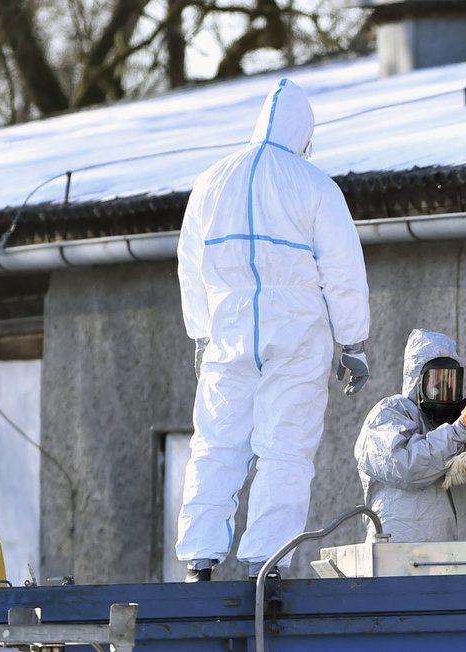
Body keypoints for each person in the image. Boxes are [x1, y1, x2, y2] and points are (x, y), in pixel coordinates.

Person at [176, 78, 370, 581]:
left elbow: (189, 266)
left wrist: (201, 332)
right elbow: (343, 272)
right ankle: (266, 560)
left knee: (216, 443)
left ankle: (199, 557)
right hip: (298, 335)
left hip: (229, 331)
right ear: (304, 132)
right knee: (285, 449)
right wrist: (352, 342)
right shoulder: (316, 186)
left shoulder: (211, 182)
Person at [354, 329, 466, 543]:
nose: (445, 387)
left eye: (451, 380)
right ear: (418, 380)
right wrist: (464, 427)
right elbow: (407, 465)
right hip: (401, 563)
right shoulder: (389, 413)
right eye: (436, 380)